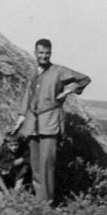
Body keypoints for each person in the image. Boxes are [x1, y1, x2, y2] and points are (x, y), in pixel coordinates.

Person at [11, 39, 90, 205]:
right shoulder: (34, 73)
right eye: (40, 53)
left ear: (50, 53)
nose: (44, 56)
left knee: (47, 164)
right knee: (36, 164)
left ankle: (46, 203)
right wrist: (21, 117)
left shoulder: (59, 71)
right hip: (33, 123)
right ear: (35, 53)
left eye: (47, 53)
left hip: (50, 122)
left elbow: (84, 79)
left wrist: (68, 91)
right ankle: (40, 201)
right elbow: (28, 94)